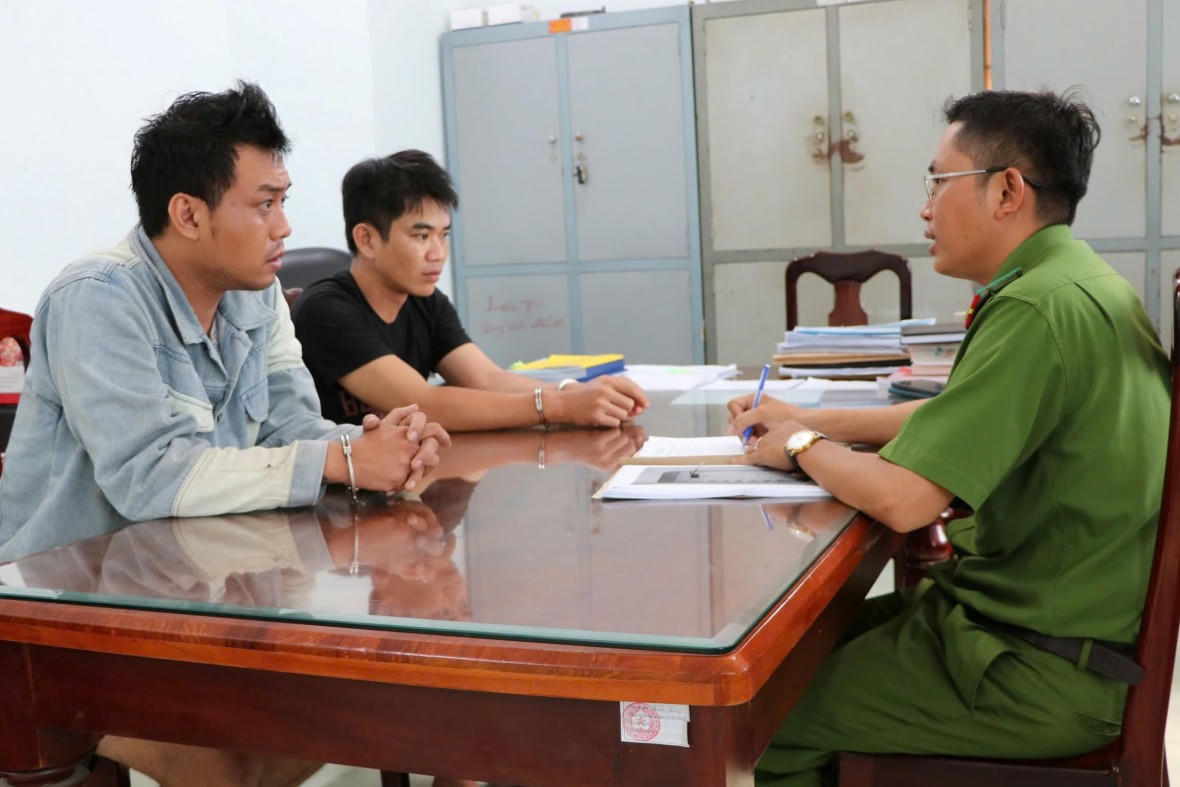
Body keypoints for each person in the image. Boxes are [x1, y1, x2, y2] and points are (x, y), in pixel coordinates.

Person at [0, 81, 449, 784]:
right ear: (188, 213)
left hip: (197, 595)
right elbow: (151, 477)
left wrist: (378, 444)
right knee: (241, 763)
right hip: (65, 623)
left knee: (402, 702)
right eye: (264, 204)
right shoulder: (97, 299)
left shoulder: (257, 294)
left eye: (284, 200)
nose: (284, 227)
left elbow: (293, 425)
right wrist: (341, 460)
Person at [729, 90, 1171, 786]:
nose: (925, 208)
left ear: (1007, 191)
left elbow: (907, 502)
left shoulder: (1035, 309)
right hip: (1051, 629)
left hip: (1038, 665)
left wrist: (802, 449)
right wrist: (813, 422)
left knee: (761, 722)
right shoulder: (1075, 282)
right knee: (782, 656)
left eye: (938, 181)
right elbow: (961, 421)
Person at [291, 149, 650, 431]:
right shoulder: (325, 311)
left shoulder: (425, 302)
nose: (438, 252)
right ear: (367, 239)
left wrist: (577, 393)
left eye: (444, 235)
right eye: (421, 236)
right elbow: (423, 404)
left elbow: (486, 379)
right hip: (336, 492)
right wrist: (560, 406)